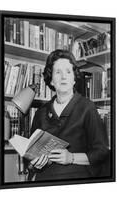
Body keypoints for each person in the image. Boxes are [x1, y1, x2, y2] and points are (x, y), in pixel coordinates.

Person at [27, 49, 109, 181]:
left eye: (68, 72)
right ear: (51, 80)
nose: (63, 77)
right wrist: (34, 163)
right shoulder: (40, 113)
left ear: (74, 79)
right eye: (58, 72)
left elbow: (101, 152)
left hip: (75, 180)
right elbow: (29, 155)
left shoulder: (87, 108)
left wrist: (71, 157)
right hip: (43, 180)